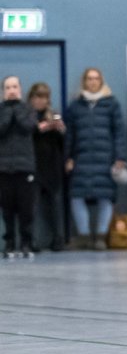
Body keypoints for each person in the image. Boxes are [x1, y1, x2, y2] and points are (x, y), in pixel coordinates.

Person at [64, 67, 127, 250]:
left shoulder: (111, 104)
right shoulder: (76, 106)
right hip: (81, 157)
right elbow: (70, 135)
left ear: (101, 81)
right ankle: (83, 236)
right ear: (84, 81)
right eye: (89, 79)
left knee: (105, 197)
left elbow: (119, 133)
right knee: (76, 196)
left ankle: (100, 237)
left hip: (105, 158)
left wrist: (120, 157)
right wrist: (68, 157)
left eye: (96, 78)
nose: (92, 82)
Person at [0, 75, 37, 258]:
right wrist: (8, 112)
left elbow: (28, 126)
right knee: (7, 208)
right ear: (3, 91)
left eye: (14, 86)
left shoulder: (28, 109)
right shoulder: (0, 110)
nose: (11, 90)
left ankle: (26, 243)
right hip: (4, 167)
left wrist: (17, 110)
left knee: (26, 208)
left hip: (25, 167)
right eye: (7, 87)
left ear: (20, 89)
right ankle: (9, 243)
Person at [28, 82, 65, 251]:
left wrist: (59, 129)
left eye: (44, 97)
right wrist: (38, 129)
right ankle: (32, 240)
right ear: (31, 98)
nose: (41, 101)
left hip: (52, 166)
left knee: (55, 206)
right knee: (32, 206)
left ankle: (58, 239)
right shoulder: (27, 117)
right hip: (33, 166)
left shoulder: (54, 115)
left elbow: (63, 143)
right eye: (38, 97)